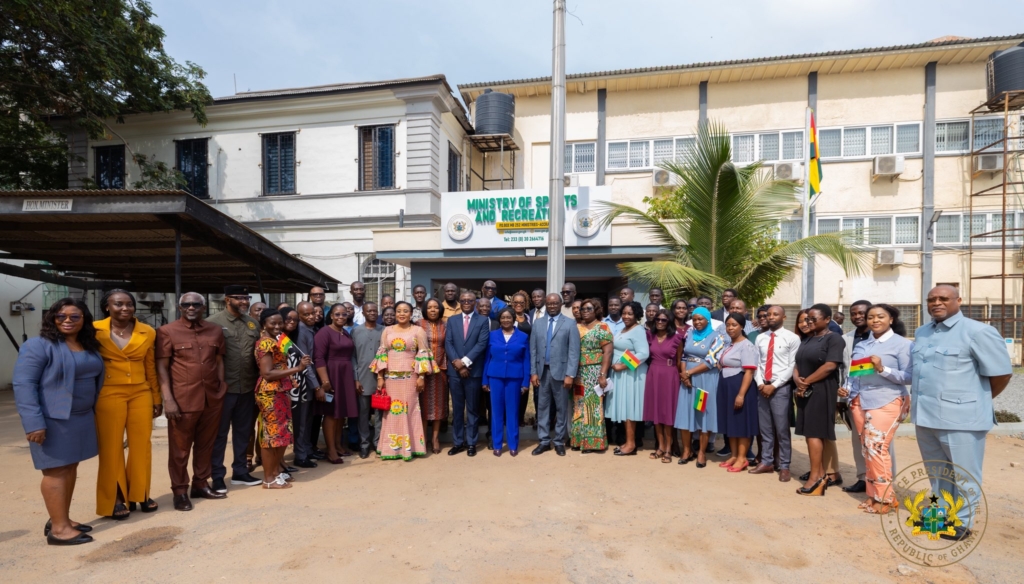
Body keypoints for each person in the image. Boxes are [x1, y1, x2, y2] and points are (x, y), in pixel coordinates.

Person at [912, 285, 1012, 540]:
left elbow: (1001, 374)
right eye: (931, 299)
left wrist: (975, 402)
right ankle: (938, 517)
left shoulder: (978, 332)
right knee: (937, 474)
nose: (936, 303)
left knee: (965, 474)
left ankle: (962, 522)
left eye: (943, 298)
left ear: (958, 300)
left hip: (962, 419)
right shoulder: (922, 332)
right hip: (926, 417)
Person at [13, 298, 104, 545]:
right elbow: (24, 384)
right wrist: (34, 423)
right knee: (56, 471)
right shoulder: (39, 345)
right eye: (61, 316)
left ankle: (61, 518)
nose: (67, 320)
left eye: (74, 316)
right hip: (54, 419)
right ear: (52, 318)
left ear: (84, 319)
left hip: (81, 417)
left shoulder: (87, 344)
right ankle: (59, 530)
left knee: (70, 467)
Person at [156, 293, 228, 512]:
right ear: (180, 307)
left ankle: (200, 484)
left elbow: (219, 361)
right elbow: (162, 368)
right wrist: (168, 399)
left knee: (206, 445)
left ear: (203, 307)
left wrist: (221, 387)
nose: (191, 307)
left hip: (211, 398)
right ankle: (180, 491)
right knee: (180, 450)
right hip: (183, 400)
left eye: (196, 304)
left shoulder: (215, 330)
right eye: (186, 304)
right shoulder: (167, 331)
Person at [93, 290, 160, 519]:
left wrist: (157, 398)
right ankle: (115, 497)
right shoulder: (93, 330)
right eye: (118, 304)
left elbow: (150, 366)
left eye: (129, 304)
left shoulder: (147, 331)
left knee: (142, 446)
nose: (125, 308)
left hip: (141, 392)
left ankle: (140, 493)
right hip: (108, 392)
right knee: (111, 447)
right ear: (107, 307)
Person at [840, 304, 912, 514]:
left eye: (880, 316)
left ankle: (885, 499)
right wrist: (845, 390)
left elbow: (909, 377)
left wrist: (882, 368)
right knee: (867, 449)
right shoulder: (863, 344)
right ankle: (873, 496)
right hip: (859, 401)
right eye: (871, 317)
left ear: (891, 319)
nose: (875, 320)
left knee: (877, 447)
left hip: (886, 400)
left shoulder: (903, 345)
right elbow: (855, 374)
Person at [207, 285, 262, 494]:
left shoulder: (252, 323)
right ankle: (217, 476)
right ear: (227, 299)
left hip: (247, 388)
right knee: (219, 435)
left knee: (243, 432)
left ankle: (240, 472)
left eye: (246, 298)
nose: (244, 302)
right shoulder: (212, 323)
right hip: (223, 389)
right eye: (239, 298)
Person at [372, 301, 439, 460]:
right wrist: (380, 377)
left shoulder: (418, 330)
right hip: (390, 379)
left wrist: (421, 377)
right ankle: (391, 449)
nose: (402, 314)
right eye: (399, 311)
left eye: (405, 311)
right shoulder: (387, 330)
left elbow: (422, 353)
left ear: (411, 314)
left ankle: (410, 448)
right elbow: (382, 353)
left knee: (409, 411)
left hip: (410, 378)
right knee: (392, 412)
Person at [792, 304, 846, 496]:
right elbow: (797, 363)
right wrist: (798, 381)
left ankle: (816, 478)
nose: (809, 322)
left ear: (827, 319)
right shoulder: (807, 339)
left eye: (813, 319)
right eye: (807, 319)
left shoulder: (834, 339)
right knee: (809, 434)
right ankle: (820, 474)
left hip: (822, 390)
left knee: (815, 433)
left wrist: (806, 383)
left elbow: (830, 366)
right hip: (805, 390)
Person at [253, 309, 309, 489]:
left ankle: (276, 472)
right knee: (272, 435)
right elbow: (267, 373)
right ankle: (269, 479)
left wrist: (289, 378)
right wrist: (297, 369)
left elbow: (278, 367)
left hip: (280, 391)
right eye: (273, 323)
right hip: (270, 393)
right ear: (264, 324)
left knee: (282, 434)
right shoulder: (265, 343)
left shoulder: (274, 341)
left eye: (280, 323)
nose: (277, 326)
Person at [748, 306, 800, 482]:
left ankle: (784, 466)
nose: (770, 317)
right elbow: (757, 363)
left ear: (783, 317)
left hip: (780, 388)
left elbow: (792, 365)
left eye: (775, 314)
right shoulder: (761, 338)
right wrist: (760, 383)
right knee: (765, 429)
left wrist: (775, 385)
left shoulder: (792, 338)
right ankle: (766, 462)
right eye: (768, 314)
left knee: (782, 430)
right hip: (762, 387)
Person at [531, 293, 581, 457]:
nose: (552, 306)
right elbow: (533, 350)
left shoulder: (570, 323)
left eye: (555, 303)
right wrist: (533, 372)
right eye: (549, 303)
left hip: (562, 373)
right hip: (542, 373)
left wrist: (570, 374)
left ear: (560, 304)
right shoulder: (538, 323)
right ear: (546, 304)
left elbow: (574, 352)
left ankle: (559, 441)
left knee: (561, 408)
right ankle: (544, 441)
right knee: (542, 408)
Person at [677, 307, 726, 468]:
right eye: (695, 319)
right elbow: (684, 356)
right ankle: (687, 450)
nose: (697, 322)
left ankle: (701, 452)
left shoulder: (716, 337)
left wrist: (688, 373)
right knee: (685, 414)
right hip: (687, 382)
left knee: (702, 414)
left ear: (708, 320)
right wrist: (684, 375)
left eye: (701, 319)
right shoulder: (689, 334)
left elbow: (711, 361)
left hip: (704, 381)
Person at [445, 291, 490, 456]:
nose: (466, 303)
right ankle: (458, 442)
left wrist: (464, 362)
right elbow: (448, 343)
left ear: (475, 303)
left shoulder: (482, 321)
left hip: (473, 372)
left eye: (469, 300)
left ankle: (471, 442)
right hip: (455, 372)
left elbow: (482, 343)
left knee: (472, 409)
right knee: (457, 409)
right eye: (463, 300)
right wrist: (457, 364)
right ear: (460, 302)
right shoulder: (452, 320)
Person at [482, 307, 531, 456]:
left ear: (514, 319)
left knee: (512, 411)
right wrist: (485, 380)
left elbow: (526, 360)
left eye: (509, 317)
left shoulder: (522, 336)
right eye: (503, 317)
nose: (506, 320)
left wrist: (525, 382)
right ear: (499, 320)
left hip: (515, 378)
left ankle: (513, 445)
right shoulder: (492, 335)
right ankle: (497, 444)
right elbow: (487, 359)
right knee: (496, 412)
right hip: (495, 377)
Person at [313, 304, 357, 464]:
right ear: (331, 315)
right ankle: (330, 450)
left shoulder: (345, 332)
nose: (341, 317)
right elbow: (318, 358)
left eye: (344, 314)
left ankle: (338, 445)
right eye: (337, 314)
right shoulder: (324, 332)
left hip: (345, 375)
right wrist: (325, 381)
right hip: (331, 374)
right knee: (331, 413)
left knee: (341, 412)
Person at [716, 313, 759, 472]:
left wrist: (741, 395)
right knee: (731, 422)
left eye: (734, 325)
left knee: (741, 423)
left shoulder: (746, 345)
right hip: (727, 386)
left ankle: (742, 458)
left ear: (742, 326)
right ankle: (734, 455)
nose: (730, 328)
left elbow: (749, 372)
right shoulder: (730, 344)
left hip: (739, 386)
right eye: (728, 325)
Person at [839, 299, 874, 494]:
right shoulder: (846, 339)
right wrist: (841, 397)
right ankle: (862, 478)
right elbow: (844, 369)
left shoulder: (881, 337)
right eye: (854, 313)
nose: (858, 316)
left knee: (879, 442)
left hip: (877, 398)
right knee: (857, 439)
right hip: (853, 398)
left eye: (862, 313)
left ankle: (882, 481)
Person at [569, 299, 613, 452]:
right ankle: (578, 440)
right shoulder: (576, 327)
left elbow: (608, 352)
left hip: (594, 371)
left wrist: (602, 374)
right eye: (583, 309)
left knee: (592, 406)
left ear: (596, 310)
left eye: (589, 309)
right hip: (578, 373)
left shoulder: (602, 327)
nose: (585, 311)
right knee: (578, 404)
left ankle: (592, 443)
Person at [607, 301, 649, 456]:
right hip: (622, 375)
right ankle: (628, 441)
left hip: (632, 375)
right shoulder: (624, 329)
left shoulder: (638, 330)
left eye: (630, 313)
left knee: (630, 408)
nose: (626, 316)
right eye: (624, 313)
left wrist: (623, 366)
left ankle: (631, 444)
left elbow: (643, 353)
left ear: (636, 315)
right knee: (625, 408)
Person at [643, 308, 684, 463]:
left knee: (667, 412)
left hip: (669, 375)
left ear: (669, 322)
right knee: (656, 411)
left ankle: (668, 448)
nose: (660, 322)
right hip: (653, 373)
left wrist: (681, 378)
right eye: (658, 319)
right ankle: (660, 447)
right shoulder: (649, 335)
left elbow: (679, 361)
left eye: (664, 320)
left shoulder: (677, 338)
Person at [351, 302, 383, 459]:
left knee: (380, 412)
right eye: (369, 311)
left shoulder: (384, 331)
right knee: (363, 413)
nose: (372, 313)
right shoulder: (356, 331)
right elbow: (353, 357)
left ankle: (378, 442)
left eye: (375, 311)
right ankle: (364, 444)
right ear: (363, 313)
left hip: (381, 378)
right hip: (363, 378)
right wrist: (356, 379)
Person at [292, 302, 321, 467]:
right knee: (301, 421)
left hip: (311, 380)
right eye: (306, 314)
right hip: (304, 382)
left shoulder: (311, 329)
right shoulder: (301, 332)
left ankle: (308, 450)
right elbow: (306, 362)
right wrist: (316, 386)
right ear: (299, 315)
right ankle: (300, 455)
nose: (311, 317)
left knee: (309, 418)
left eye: (312, 313)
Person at [418, 298, 448, 454]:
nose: (433, 310)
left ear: (440, 309)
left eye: (436, 307)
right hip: (422, 371)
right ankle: (422, 438)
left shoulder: (445, 325)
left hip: (440, 370)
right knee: (423, 405)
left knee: (438, 404)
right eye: (429, 307)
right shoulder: (418, 324)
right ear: (425, 310)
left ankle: (435, 438)